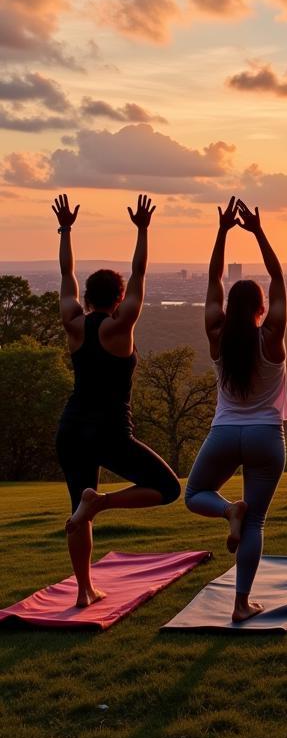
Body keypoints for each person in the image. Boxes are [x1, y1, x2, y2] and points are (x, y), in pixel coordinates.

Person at [53, 193, 181, 608]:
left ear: (88, 297)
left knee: (78, 509)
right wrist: (143, 229)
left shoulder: (73, 323)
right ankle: (102, 502)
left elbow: (66, 271)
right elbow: (140, 271)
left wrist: (66, 229)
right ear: (118, 296)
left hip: (71, 429)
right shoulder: (120, 326)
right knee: (166, 487)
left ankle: (84, 591)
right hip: (110, 433)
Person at [185, 198, 287, 622]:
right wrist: (259, 231)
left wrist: (223, 231)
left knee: (194, 495)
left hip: (225, 433)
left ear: (230, 308)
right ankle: (241, 604)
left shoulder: (216, 335)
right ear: (261, 309)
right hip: (266, 436)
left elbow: (212, 278)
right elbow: (279, 276)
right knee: (257, 522)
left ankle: (228, 509)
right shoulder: (273, 336)